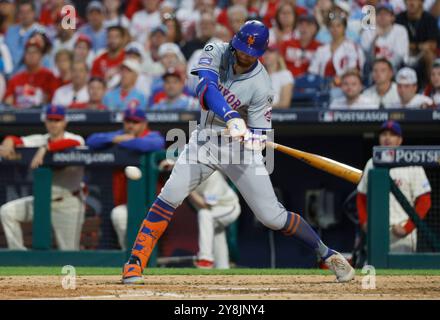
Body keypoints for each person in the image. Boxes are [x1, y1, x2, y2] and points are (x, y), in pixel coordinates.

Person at [121, 20, 355, 284]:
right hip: (205, 140)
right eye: (242, 48)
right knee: (170, 195)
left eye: (251, 52)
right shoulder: (215, 50)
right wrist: (231, 115)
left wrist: (250, 137)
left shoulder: (262, 86)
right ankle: (135, 263)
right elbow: (206, 88)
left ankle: (326, 254)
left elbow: (259, 135)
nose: (244, 54)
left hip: (239, 150)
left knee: (271, 216)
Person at [0, 105, 86, 251]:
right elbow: (16, 140)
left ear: (64, 122)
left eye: (57, 120)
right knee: (7, 212)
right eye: (50, 120)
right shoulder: (40, 139)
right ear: (45, 122)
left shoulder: (75, 138)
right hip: (41, 201)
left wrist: (46, 148)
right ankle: (20, 256)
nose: (53, 123)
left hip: (68, 203)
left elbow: (75, 144)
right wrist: (8, 142)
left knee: (69, 253)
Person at [86, 107, 165, 250]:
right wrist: (116, 138)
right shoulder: (119, 135)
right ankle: (130, 256)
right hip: (125, 202)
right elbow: (92, 141)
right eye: (128, 121)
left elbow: (153, 144)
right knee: (119, 216)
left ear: (144, 124)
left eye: (135, 122)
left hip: (151, 202)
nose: (131, 125)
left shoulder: (152, 135)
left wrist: (123, 141)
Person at [356, 120, 432, 253]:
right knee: (373, 271)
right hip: (377, 232)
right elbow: (361, 196)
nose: (387, 138)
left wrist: (407, 228)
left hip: (402, 233)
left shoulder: (412, 163)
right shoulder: (371, 163)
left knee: (403, 273)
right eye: (384, 134)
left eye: (392, 134)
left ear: (399, 140)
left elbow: (425, 201)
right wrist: (364, 222)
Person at [189, 171, 241, 269]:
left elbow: (206, 205)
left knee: (205, 215)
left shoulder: (211, 176)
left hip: (228, 207)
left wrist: (188, 190)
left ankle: (205, 259)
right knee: (217, 233)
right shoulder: (188, 171)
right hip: (215, 210)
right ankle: (223, 268)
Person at [4, 37, 57, 109]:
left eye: (35, 52)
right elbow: (8, 101)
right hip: (19, 116)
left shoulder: (49, 76)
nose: (31, 55)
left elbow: (53, 100)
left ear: (41, 55)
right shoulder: (16, 78)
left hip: (40, 115)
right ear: (24, 56)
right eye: (28, 52)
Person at [396, 0, 439, 87]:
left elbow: (433, 44)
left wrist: (414, 46)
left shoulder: (429, 19)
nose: (411, 3)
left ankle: (431, 88)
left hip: (421, 55)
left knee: (429, 54)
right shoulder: (399, 18)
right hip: (404, 53)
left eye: (415, 0)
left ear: (421, 2)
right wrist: (419, 46)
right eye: (408, 0)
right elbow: (398, 42)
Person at [361, 3, 409, 73]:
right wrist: (375, 38)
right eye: (379, 14)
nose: (382, 16)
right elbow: (368, 57)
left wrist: (385, 67)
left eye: (386, 14)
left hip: (395, 68)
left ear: (393, 17)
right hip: (373, 68)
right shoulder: (367, 31)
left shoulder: (400, 30)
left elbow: (400, 55)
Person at [4, 0, 43, 73]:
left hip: (31, 74)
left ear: (34, 13)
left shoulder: (42, 32)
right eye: (22, 12)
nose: (25, 15)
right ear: (18, 14)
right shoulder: (10, 31)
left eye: (28, 12)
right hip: (9, 74)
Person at [279, 13, 321, 78]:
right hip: (287, 81)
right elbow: (279, 61)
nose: (304, 28)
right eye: (301, 24)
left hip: (309, 83)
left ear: (315, 28)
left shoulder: (320, 48)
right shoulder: (287, 44)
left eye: (308, 25)